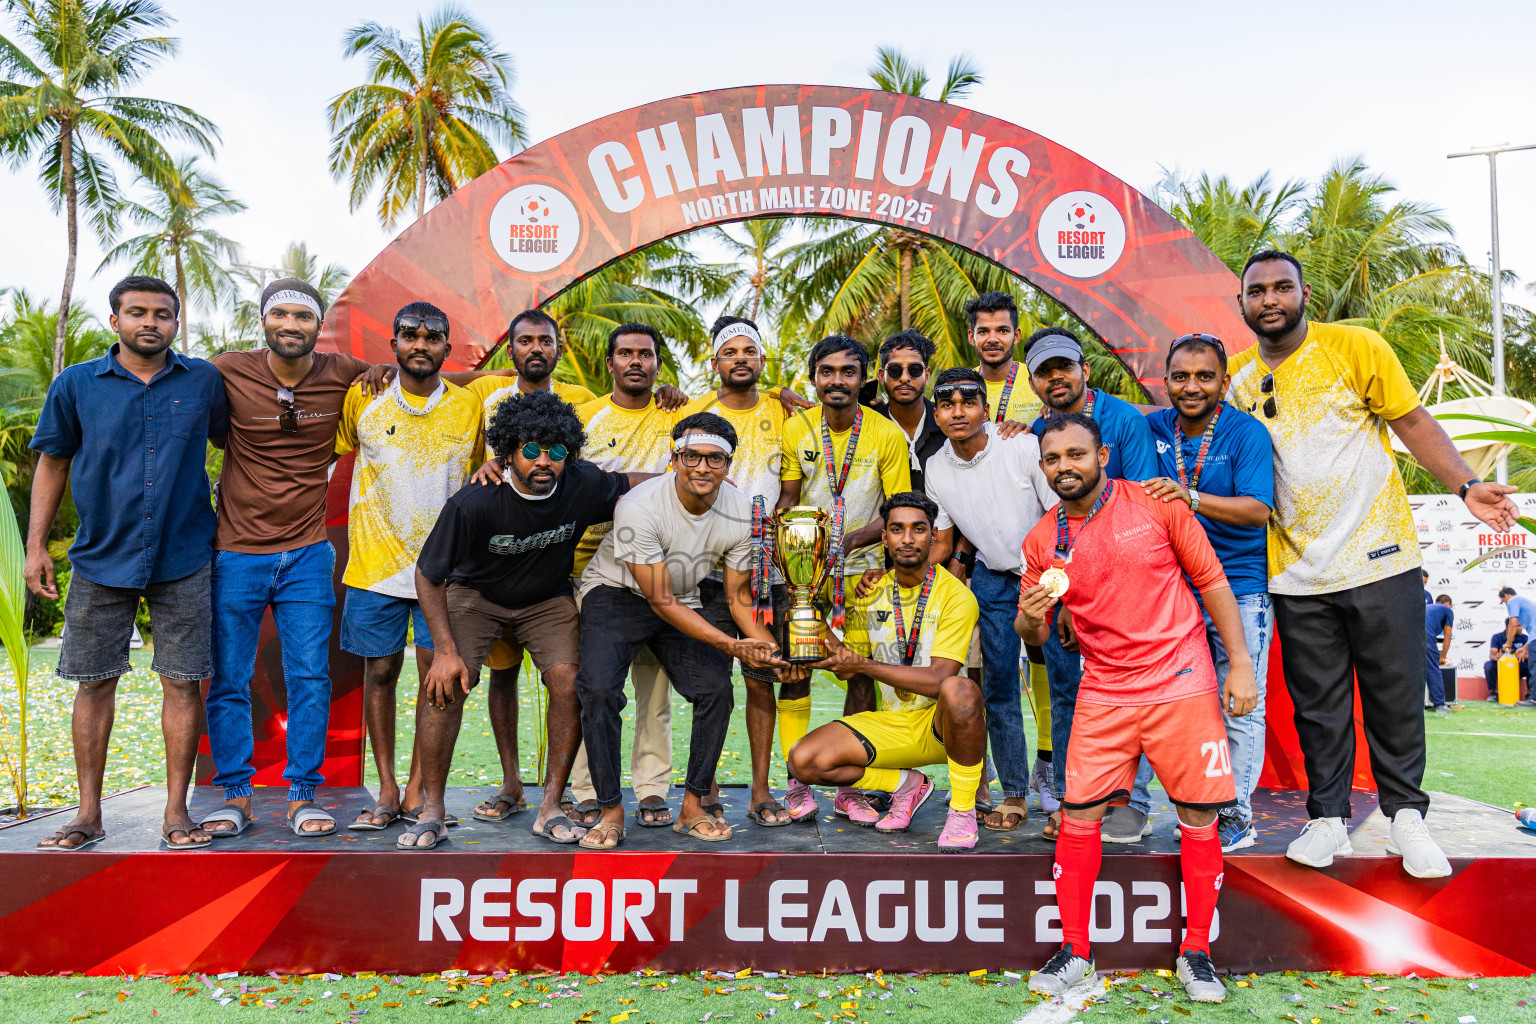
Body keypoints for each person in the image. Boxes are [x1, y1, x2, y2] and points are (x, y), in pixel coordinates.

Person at [1228, 250, 1519, 879]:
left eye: (1283, 288)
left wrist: (1467, 487)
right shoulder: (1233, 377)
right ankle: (1328, 819)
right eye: (1257, 291)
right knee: (1318, 705)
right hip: (1295, 569)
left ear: (1304, 294)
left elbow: (1413, 421)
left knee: (1393, 696)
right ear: (1243, 303)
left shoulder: (1355, 346)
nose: (1270, 300)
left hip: (1380, 555)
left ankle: (1406, 819)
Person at [1017, 413, 1256, 1004]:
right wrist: (1028, 614)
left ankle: (1196, 952)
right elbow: (1037, 636)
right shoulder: (1042, 539)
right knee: (1077, 819)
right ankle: (1076, 951)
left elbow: (1212, 580)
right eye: (1053, 459)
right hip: (1104, 691)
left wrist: (1243, 664)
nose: (1065, 467)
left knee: (1199, 820)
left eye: (1077, 454)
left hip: (1183, 684)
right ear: (1042, 467)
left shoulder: (1155, 502)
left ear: (1102, 455)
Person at [25, 275, 228, 851]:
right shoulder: (76, 385)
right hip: (99, 557)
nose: (150, 323)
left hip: (185, 555)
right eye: (137, 312)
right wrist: (37, 546)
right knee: (92, 684)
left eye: (162, 314)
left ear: (176, 323)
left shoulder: (204, 381)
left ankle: (175, 813)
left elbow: (233, 445)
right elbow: (52, 463)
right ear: (114, 320)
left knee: (184, 683)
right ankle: (87, 813)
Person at [407, 390, 643, 849]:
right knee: (445, 686)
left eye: (556, 452)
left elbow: (637, 481)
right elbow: (428, 575)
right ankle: (432, 809)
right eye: (531, 450)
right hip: (476, 595)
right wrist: (446, 652)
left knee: (570, 681)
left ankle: (550, 806)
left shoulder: (582, 483)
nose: (544, 462)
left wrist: (694, 476)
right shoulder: (474, 502)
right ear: (509, 451)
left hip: (546, 599)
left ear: (568, 454)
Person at [202, 278, 376, 839]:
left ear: (317, 326)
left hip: (306, 554)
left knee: (310, 676)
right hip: (236, 553)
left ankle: (304, 794)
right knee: (229, 679)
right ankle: (236, 795)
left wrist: (385, 373)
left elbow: (419, 375)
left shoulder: (343, 372)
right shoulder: (227, 369)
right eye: (282, 316)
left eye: (305, 317)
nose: (292, 326)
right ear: (263, 321)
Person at [575, 413, 790, 849]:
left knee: (716, 690)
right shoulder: (638, 505)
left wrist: (769, 649)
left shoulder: (742, 512)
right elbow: (659, 599)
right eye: (692, 456)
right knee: (598, 689)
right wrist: (733, 645)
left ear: (729, 464)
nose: (703, 467)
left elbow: (736, 598)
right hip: (617, 592)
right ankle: (611, 808)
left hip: (683, 598)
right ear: (674, 459)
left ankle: (693, 806)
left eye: (715, 458)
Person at [334, 302, 483, 830]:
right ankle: (387, 787)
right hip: (374, 565)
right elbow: (326, 453)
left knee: (434, 680)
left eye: (433, 337)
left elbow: (478, 472)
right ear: (393, 344)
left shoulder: (469, 408)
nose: (421, 344)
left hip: (442, 570)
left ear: (447, 347)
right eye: (409, 335)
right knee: (380, 672)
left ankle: (421, 788)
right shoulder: (363, 397)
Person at [789, 492, 986, 851]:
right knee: (804, 761)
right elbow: (851, 671)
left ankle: (962, 811)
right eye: (897, 529)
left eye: (918, 529)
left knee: (962, 690)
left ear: (933, 536)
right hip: (890, 725)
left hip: (939, 728)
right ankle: (907, 784)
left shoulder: (957, 596)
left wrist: (859, 663)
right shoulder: (871, 590)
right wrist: (808, 608)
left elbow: (939, 679)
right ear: (885, 538)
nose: (907, 539)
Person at [1026, 326, 1160, 842]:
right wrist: (1066, 599)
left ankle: (1129, 804)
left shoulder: (1124, 419)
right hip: (1069, 585)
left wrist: (1099, 592)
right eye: (1044, 371)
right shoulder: (1039, 430)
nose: (1056, 377)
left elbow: (1139, 500)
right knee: (1066, 696)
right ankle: (1074, 801)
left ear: (1085, 369)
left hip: (1129, 584)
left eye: (1064, 366)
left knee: (1131, 697)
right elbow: (1055, 519)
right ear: (1035, 382)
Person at [1143, 333, 1275, 851]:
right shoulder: (1151, 425)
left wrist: (1190, 496)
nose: (1191, 386)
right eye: (1180, 376)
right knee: (1165, 703)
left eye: (1204, 376)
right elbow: (1086, 420)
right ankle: (1150, 806)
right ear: (1165, 381)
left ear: (1224, 381)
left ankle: (1236, 815)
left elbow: (1258, 510)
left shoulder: (1247, 433)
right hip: (1171, 590)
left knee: (1241, 702)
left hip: (1238, 586)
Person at [778, 334, 913, 824]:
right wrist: (787, 543)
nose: (837, 380)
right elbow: (789, 496)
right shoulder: (797, 429)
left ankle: (850, 789)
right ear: (813, 376)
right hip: (804, 576)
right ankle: (796, 784)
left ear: (863, 379)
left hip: (867, 576)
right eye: (827, 371)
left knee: (858, 675)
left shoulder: (885, 434)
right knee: (797, 670)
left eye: (848, 372)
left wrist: (851, 541)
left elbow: (897, 510)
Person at [920, 368, 1054, 832]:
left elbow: (1059, 515)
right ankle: (1014, 795)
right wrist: (894, 578)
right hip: (993, 580)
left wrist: (1058, 582)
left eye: (968, 401)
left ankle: (1077, 797)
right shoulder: (936, 467)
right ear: (936, 414)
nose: (958, 411)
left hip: (1049, 574)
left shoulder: (1019, 445)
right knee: (997, 689)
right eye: (947, 403)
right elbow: (940, 543)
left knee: (1066, 684)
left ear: (984, 408)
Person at [680, 316, 799, 826]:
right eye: (730, 352)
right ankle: (701, 791)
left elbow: (790, 490)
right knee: (712, 687)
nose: (740, 359)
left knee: (760, 680)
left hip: (765, 573)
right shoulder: (692, 412)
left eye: (749, 351)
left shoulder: (787, 412)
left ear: (762, 360)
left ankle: (760, 789)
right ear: (716, 363)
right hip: (704, 569)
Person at [565, 323, 684, 828]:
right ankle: (587, 788)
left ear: (658, 364)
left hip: (660, 571)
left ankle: (653, 788)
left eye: (646, 354)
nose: (636, 361)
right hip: (588, 572)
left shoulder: (677, 416)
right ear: (609, 363)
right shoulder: (583, 419)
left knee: (654, 690)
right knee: (594, 687)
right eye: (626, 354)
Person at [874, 331, 946, 492]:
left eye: (914, 369)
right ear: (881, 375)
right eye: (894, 370)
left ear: (927, 375)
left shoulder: (948, 424)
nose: (905, 378)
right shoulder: (868, 426)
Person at [967, 291, 1041, 425]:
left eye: (1003, 331)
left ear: (1017, 335)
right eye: (983, 331)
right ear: (972, 337)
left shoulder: (1040, 381)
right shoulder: (959, 385)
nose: (993, 339)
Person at [1424, 595, 1454, 715]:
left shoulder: (1427, 607)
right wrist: (1442, 657)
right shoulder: (1448, 611)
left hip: (1408, 635)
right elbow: (1447, 636)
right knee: (1432, 669)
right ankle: (1440, 705)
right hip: (1425, 637)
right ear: (1447, 604)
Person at [1485, 626, 1530, 702]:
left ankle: (1530, 694)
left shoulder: (1524, 638)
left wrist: (1517, 656)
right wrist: (1497, 657)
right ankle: (1494, 693)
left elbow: (1530, 655)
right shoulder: (1497, 637)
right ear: (1509, 627)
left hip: (1518, 665)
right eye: (1518, 626)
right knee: (1489, 665)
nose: (1521, 628)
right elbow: (1492, 656)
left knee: (1532, 665)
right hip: (1503, 667)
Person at [1501, 587, 1535, 665]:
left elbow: (1513, 623)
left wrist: (1508, 643)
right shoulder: (1522, 602)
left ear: (1506, 596)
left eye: (1504, 601)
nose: (1506, 604)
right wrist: (1524, 648)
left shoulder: (1512, 600)